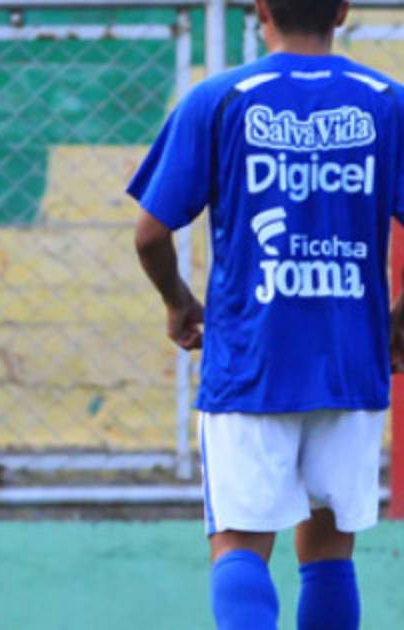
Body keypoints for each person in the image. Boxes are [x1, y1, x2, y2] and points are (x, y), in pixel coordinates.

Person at [128, 1, 404, 628]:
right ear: (343, 11)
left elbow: (150, 234)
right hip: (351, 363)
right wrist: (398, 319)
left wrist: (177, 301)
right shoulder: (387, 103)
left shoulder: (219, 99)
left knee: (240, 543)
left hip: (249, 362)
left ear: (260, 10)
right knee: (329, 552)